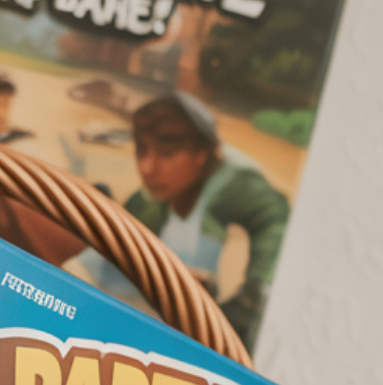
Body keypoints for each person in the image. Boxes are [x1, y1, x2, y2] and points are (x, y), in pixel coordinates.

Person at [124, 95, 289, 349]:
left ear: (201, 153)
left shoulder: (233, 184)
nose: (147, 167)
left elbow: (275, 221)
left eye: (167, 153)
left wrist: (249, 302)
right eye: (141, 150)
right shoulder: (150, 197)